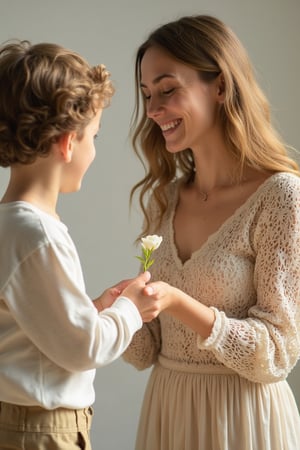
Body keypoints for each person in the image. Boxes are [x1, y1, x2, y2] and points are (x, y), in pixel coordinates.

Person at [122, 14, 300, 450]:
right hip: (168, 413)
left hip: (241, 421)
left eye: (167, 90)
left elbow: (277, 352)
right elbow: (147, 351)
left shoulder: (280, 197)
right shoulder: (164, 200)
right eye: (147, 95)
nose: (153, 110)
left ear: (220, 86)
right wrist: (109, 310)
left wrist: (180, 303)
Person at [0, 40, 164, 450]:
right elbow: (84, 348)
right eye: (94, 136)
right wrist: (131, 310)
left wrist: (91, 311)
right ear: (68, 142)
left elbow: (29, 330)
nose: (93, 150)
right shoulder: (38, 235)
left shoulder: (11, 226)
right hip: (41, 431)